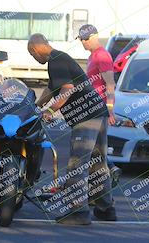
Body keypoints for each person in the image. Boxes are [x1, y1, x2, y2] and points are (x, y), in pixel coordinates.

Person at [27, 33, 117, 225]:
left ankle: (79, 212)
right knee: (97, 163)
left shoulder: (56, 60)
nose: (34, 58)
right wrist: (34, 106)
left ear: (35, 49)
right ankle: (106, 209)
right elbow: (51, 90)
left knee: (78, 163)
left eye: (32, 55)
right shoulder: (59, 59)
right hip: (97, 113)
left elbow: (67, 89)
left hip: (86, 117)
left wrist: (50, 110)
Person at [77, 24, 122, 187]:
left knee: (94, 149)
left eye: (82, 40)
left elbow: (110, 84)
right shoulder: (93, 55)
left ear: (89, 39)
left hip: (99, 110)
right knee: (95, 149)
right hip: (92, 109)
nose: (82, 43)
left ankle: (108, 175)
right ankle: (107, 175)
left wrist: (110, 111)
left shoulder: (102, 56)